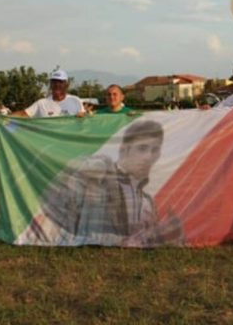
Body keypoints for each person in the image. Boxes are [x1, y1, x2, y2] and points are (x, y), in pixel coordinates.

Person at [28, 120, 182, 246]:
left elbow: (140, 239)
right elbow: (50, 215)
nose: (149, 157)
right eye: (142, 148)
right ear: (125, 149)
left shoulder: (147, 203)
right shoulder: (97, 170)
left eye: (155, 150)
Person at [14, 69, 85, 118]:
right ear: (50, 84)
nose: (57, 85)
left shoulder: (75, 101)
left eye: (60, 82)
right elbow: (24, 114)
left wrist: (83, 117)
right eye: (54, 82)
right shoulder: (41, 104)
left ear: (66, 84)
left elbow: (85, 119)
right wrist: (4, 118)